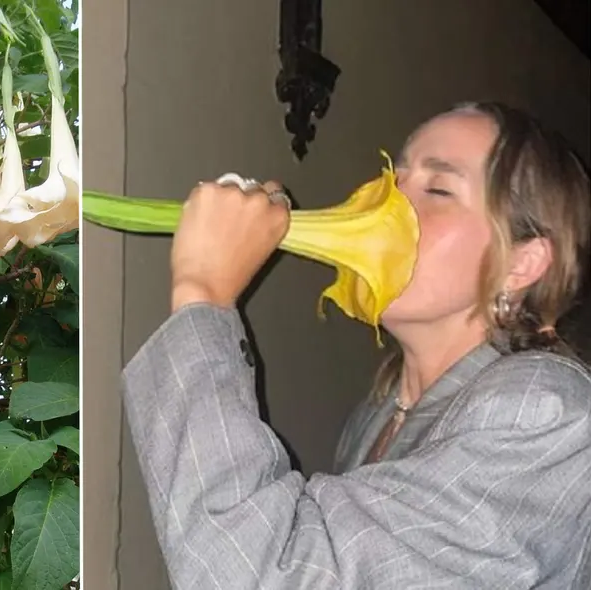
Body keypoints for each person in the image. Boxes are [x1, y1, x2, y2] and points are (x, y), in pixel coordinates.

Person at [121, 102, 591, 589]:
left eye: (438, 189)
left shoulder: (543, 409)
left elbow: (268, 573)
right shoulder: (378, 413)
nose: (387, 202)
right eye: (394, 179)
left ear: (521, 264)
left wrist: (204, 292)